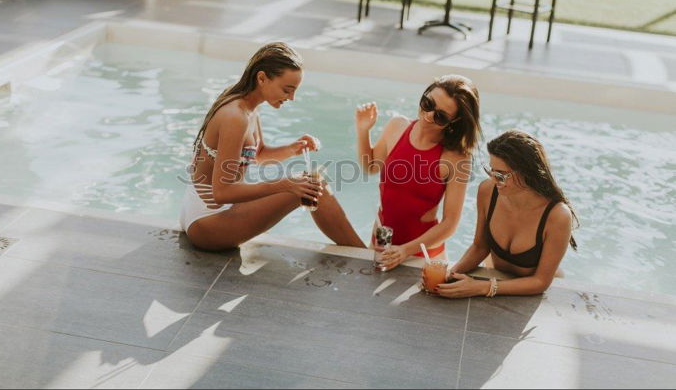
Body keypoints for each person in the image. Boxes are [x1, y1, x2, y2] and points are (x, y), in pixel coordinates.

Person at [179, 42, 362, 251]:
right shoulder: (235, 117)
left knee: (309, 182)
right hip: (207, 222)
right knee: (311, 186)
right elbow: (223, 192)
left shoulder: (247, 106)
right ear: (262, 78)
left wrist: (294, 148)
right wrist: (286, 184)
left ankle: (362, 253)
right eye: (287, 89)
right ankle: (364, 255)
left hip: (208, 210)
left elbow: (258, 155)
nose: (291, 98)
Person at [354, 75, 482, 270]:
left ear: (454, 120)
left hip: (423, 256)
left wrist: (405, 250)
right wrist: (363, 130)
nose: (428, 115)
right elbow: (370, 167)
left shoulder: (456, 158)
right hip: (382, 243)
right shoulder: (397, 127)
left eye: (440, 116)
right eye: (427, 103)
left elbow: (450, 223)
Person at [432, 129, 578, 298]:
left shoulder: (557, 216)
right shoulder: (488, 191)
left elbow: (540, 282)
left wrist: (482, 287)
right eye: (491, 171)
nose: (494, 180)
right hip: (495, 277)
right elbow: (480, 247)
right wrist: (450, 274)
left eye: (501, 175)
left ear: (527, 172)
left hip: (530, 291)